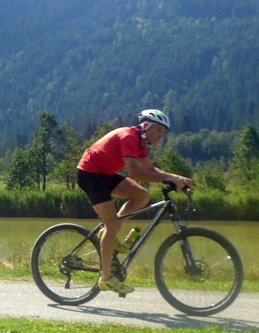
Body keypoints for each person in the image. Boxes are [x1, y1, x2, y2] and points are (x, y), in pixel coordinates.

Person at [75, 109, 194, 295]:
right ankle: (106, 278)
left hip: (105, 174)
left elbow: (149, 167)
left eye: (163, 132)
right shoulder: (129, 137)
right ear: (146, 126)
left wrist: (177, 177)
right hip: (90, 175)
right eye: (158, 130)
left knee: (142, 196)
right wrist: (169, 178)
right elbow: (135, 172)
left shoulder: (140, 143)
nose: (161, 135)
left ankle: (109, 234)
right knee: (112, 224)